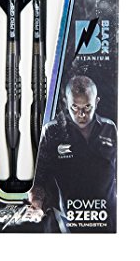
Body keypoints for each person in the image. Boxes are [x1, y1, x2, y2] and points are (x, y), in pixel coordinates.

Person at [29, 75, 117, 232]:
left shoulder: (110, 129)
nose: (81, 114)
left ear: (97, 102)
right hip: (65, 225)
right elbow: (39, 178)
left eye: (87, 107)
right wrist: (36, 204)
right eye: (75, 107)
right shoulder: (52, 131)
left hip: (107, 222)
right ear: (66, 102)